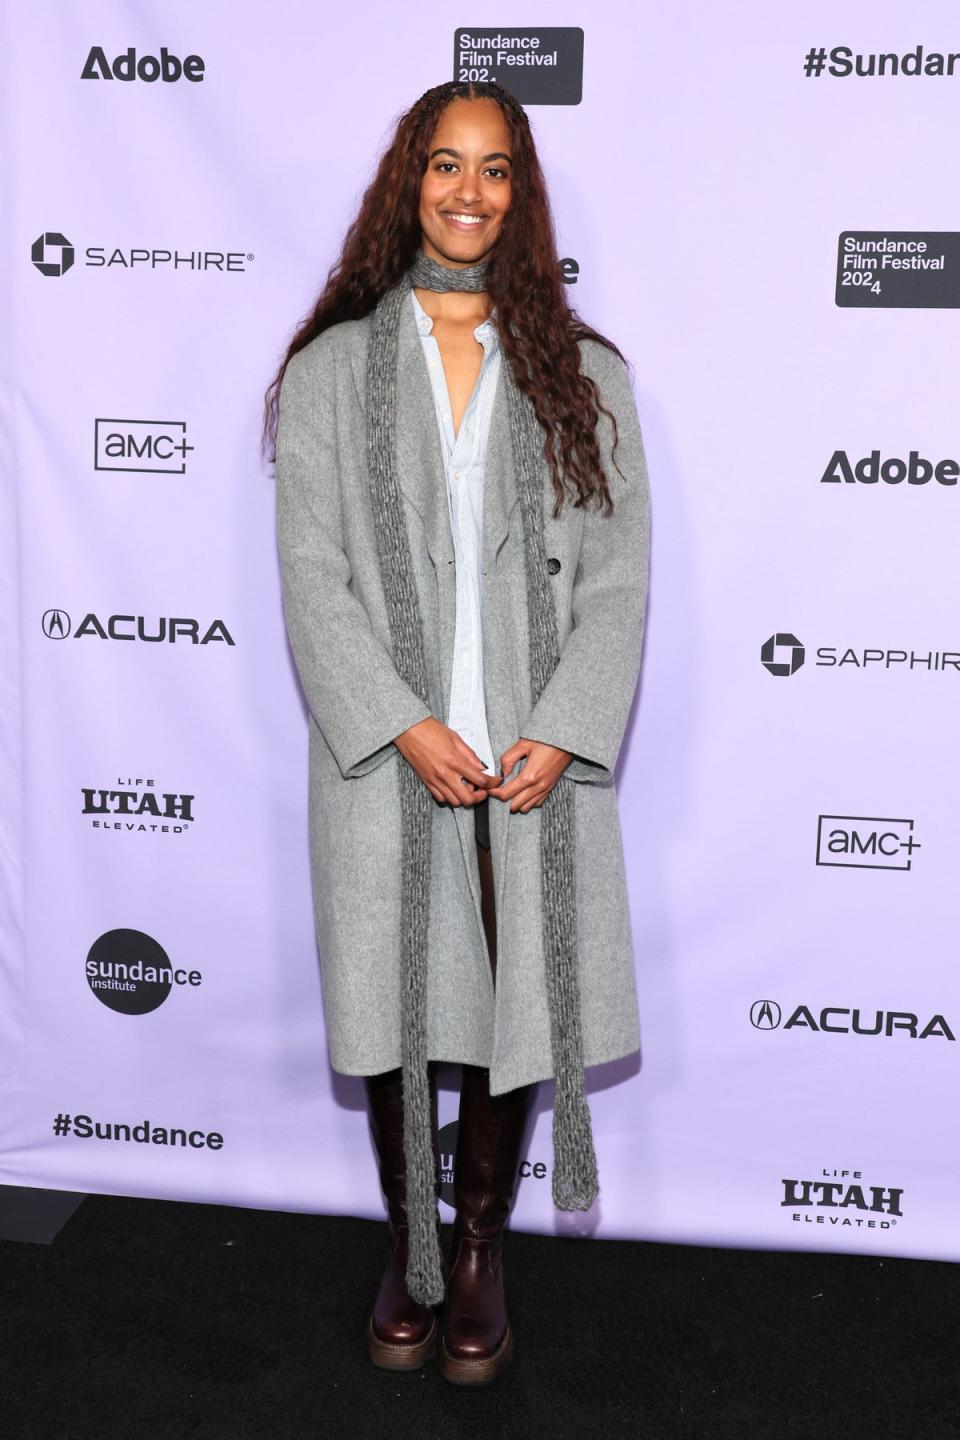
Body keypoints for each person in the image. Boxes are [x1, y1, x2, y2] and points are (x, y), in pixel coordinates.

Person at [263, 79, 651, 1386]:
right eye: (444, 164)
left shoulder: (585, 375)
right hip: (393, 756)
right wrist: (397, 722)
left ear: (520, 193)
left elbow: (618, 579)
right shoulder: (330, 372)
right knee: (392, 1000)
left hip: (527, 758)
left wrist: (565, 726)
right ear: (408, 182)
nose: (467, 191)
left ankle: (477, 1245)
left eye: (493, 168)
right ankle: (410, 1245)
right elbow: (312, 576)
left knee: (506, 1005)